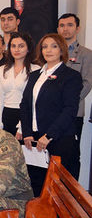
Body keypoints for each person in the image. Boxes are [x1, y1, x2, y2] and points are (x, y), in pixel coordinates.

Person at [20, 33, 83, 196]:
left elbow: (70, 110)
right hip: (35, 139)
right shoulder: (35, 75)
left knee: (60, 191)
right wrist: (27, 133)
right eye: (44, 47)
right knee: (37, 187)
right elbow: (24, 105)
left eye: (54, 46)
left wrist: (49, 135)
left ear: (61, 50)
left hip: (59, 139)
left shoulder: (71, 76)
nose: (48, 50)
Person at [0, 32, 39, 138]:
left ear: (28, 49)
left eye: (21, 46)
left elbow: (33, 101)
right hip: (6, 114)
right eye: (13, 46)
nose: (16, 49)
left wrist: (22, 127)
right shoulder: (2, 69)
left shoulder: (35, 70)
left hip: (26, 115)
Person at [57, 13, 92, 143]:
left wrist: (68, 102)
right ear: (57, 29)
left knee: (71, 149)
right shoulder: (51, 52)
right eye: (62, 25)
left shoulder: (86, 54)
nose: (65, 29)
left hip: (73, 112)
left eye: (70, 25)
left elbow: (87, 83)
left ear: (77, 29)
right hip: (52, 111)